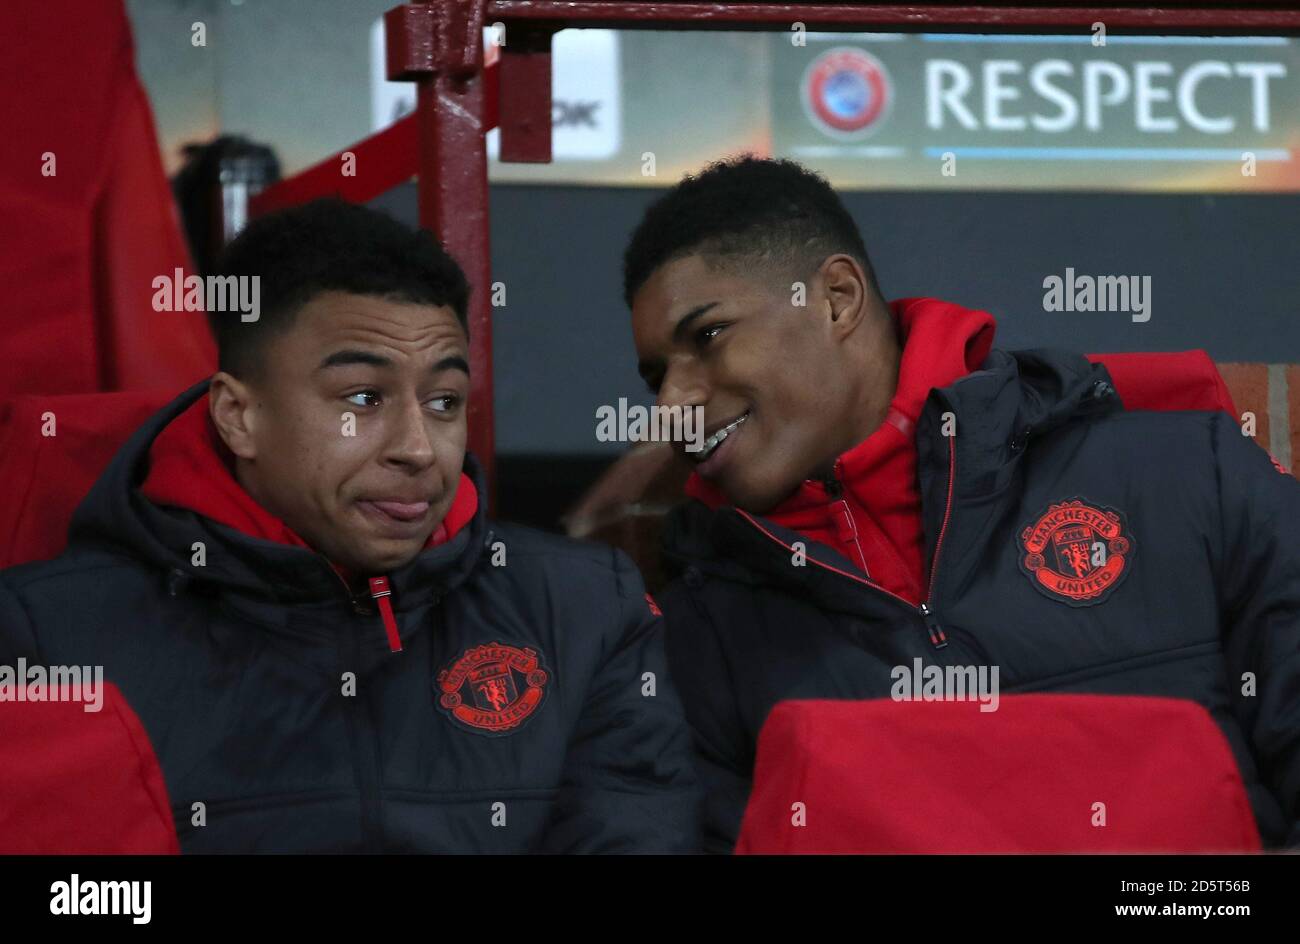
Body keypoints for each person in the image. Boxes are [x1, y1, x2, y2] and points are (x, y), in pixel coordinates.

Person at [623, 155, 1300, 853]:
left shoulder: (1188, 473)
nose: (673, 404)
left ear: (836, 298)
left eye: (707, 337)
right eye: (655, 377)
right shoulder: (697, 638)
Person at [0, 199, 701, 853]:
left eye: (445, 401)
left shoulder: (584, 611)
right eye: (363, 398)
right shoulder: (49, 635)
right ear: (239, 416)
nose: (418, 448)